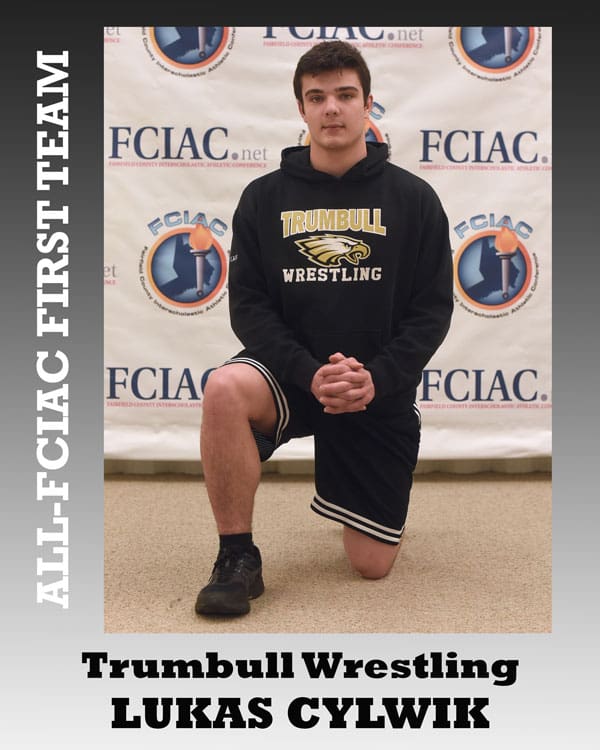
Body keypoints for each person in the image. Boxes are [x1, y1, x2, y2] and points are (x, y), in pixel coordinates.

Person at [195, 40, 454, 616]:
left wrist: (379, 379)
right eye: (317, 97)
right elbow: (249, 307)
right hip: (293, 377)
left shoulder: (414, 199)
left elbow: (432, 310)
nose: (331, 108)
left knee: (371, 565)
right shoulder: (263, 198)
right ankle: (236, 556)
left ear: (368, 104)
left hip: (372, 387)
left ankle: (372, 482)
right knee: (224, 387)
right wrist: (308, 373)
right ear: (301, 108)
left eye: (344, 95)